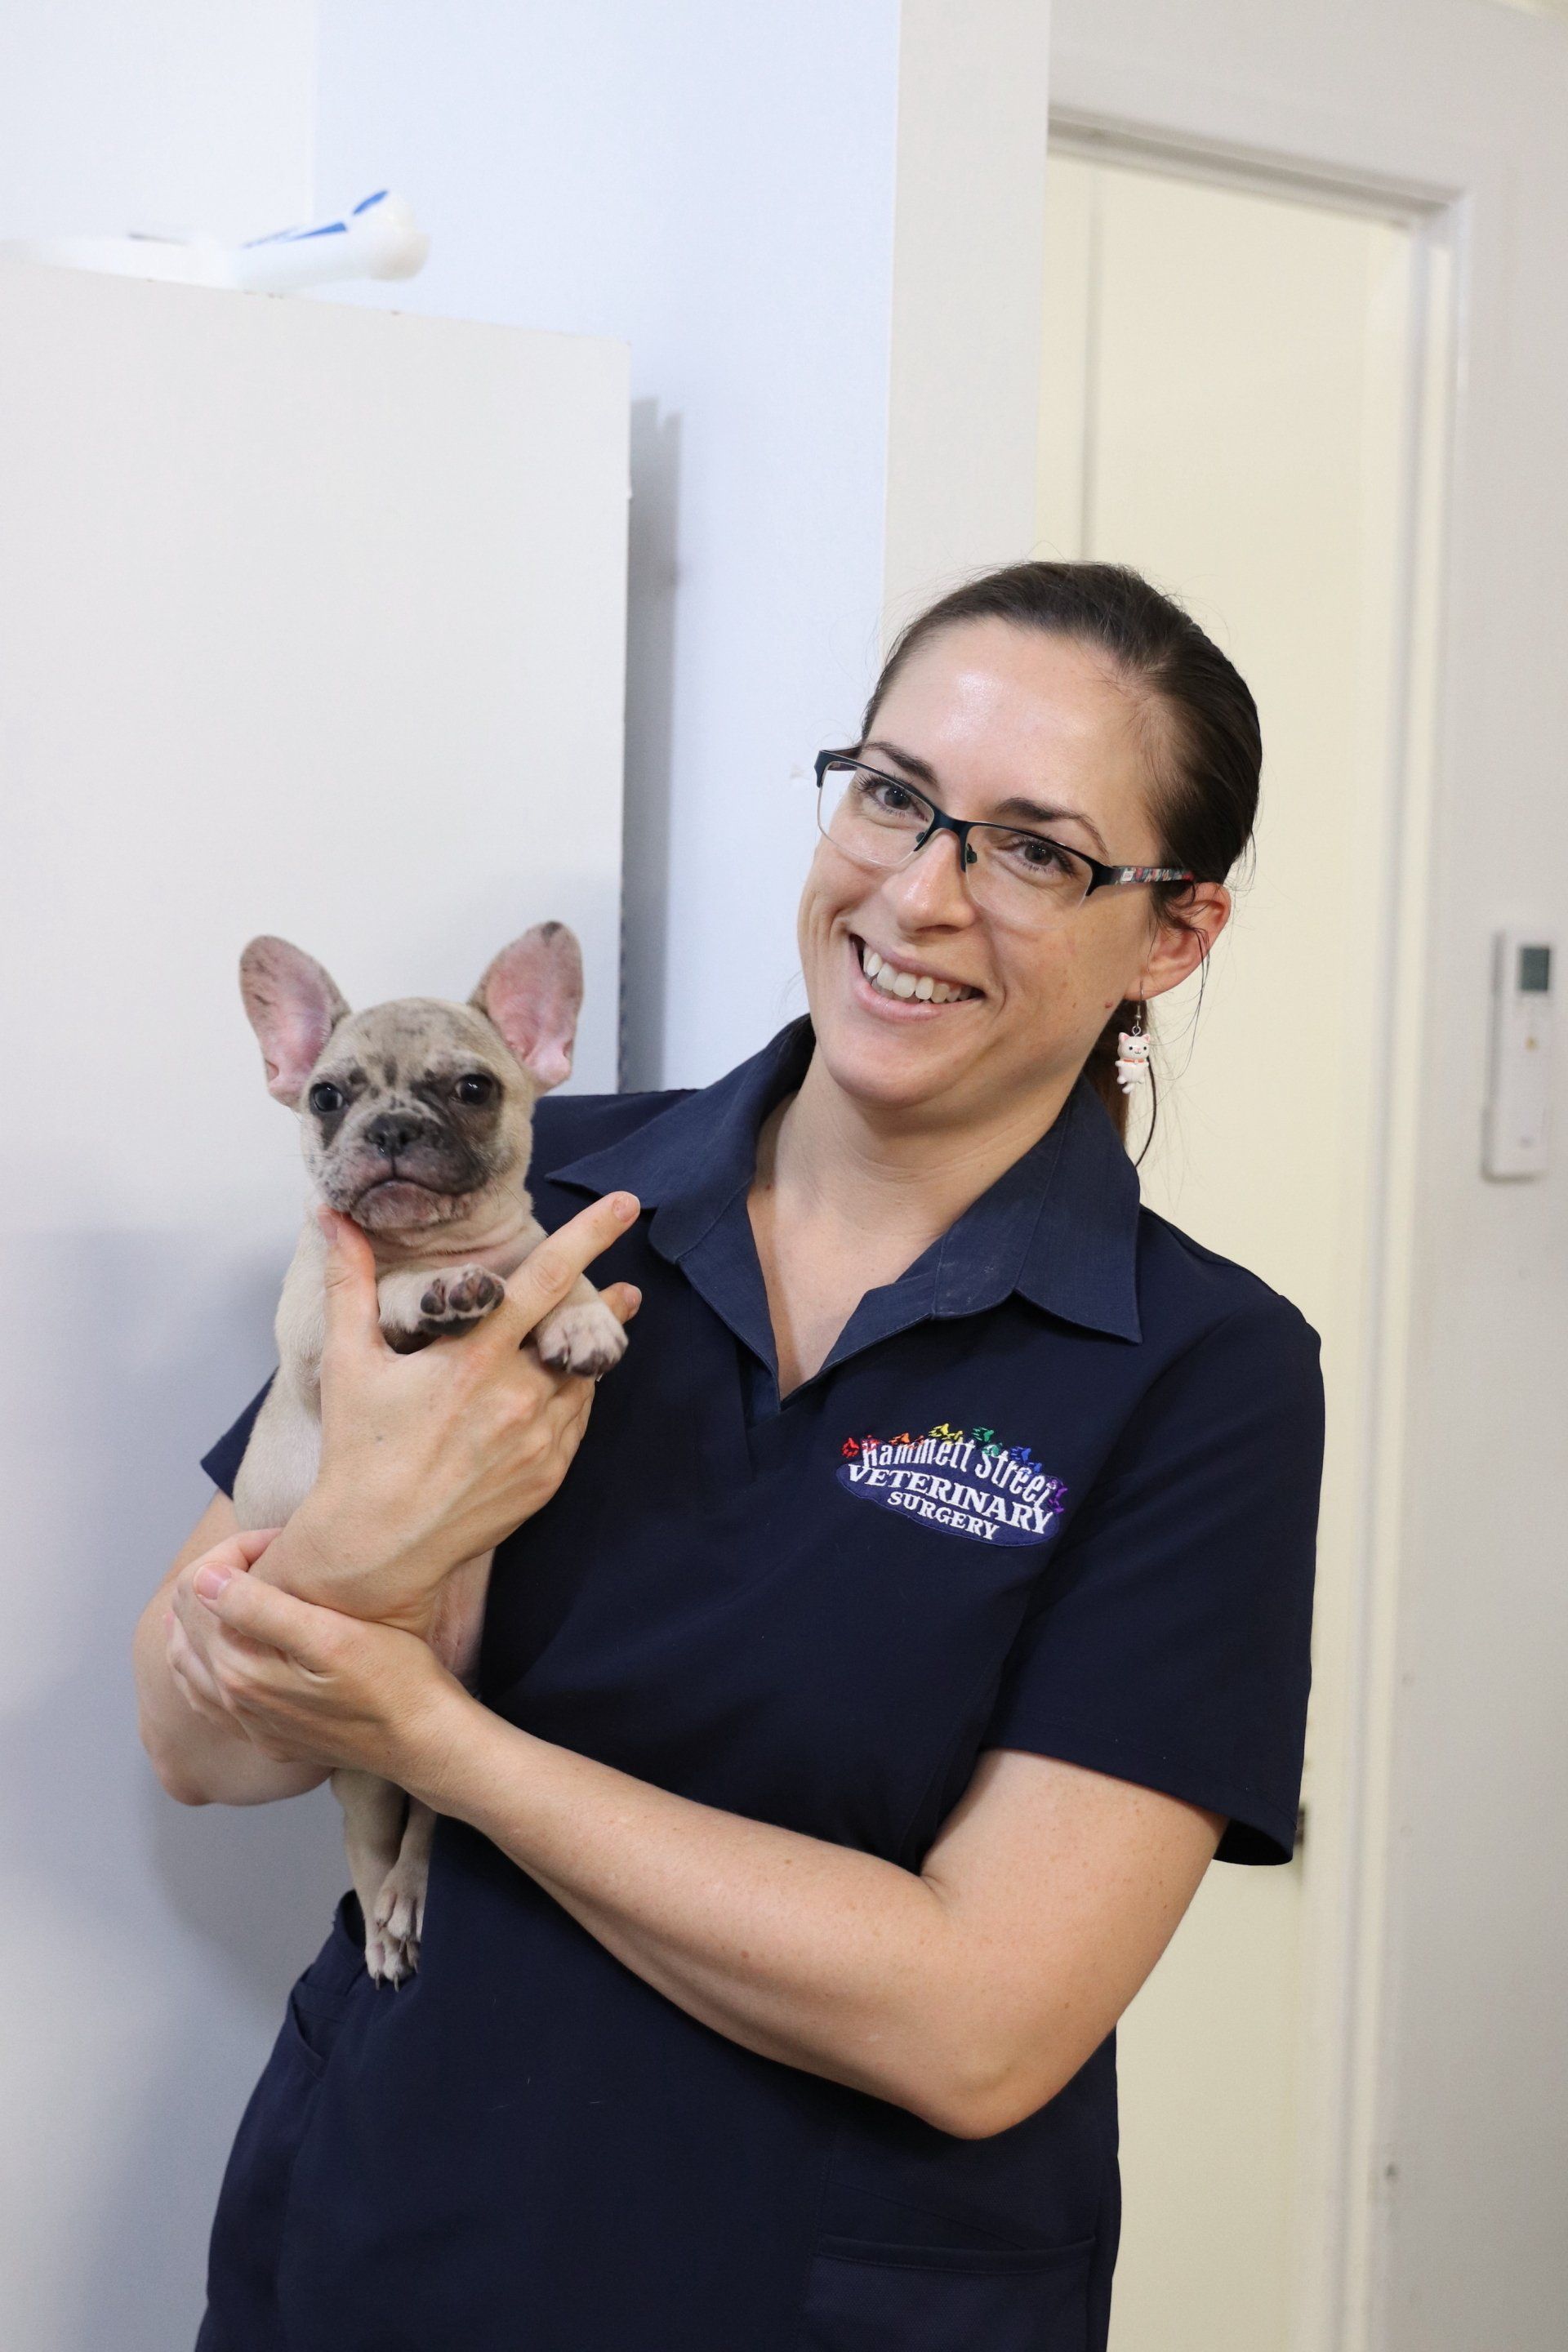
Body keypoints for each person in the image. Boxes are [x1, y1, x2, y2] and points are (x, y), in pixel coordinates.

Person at [134, 560, 1326, 2352]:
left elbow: (979, 2022)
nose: (919, 892)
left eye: (1036, 849)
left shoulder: (1203, 1375)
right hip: (388, 2238)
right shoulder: (517, 1197)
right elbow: (194, 1741)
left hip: (830, 2292)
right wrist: (360, 1555)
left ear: (1174, 934)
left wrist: (436, 1741)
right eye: (895, 795)